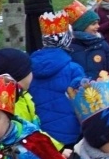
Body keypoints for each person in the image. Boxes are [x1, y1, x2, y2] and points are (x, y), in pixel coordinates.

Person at [29, 11, 88, 147]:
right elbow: (84, 101)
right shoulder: (74, 69)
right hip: (70, 133)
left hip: (40, 132)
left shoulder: (30, 67)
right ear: (66, 39)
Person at [0, 47, 40, 125]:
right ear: (21, 75)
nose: (32, 74)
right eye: (30, 70)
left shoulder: (23, 96)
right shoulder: (10, 107)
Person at [70, 8, 109, 79]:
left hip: (102, 88)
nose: (98, 26)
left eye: (98, 23)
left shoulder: (102, 44)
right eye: (93, 24)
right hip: (79, 89)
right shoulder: (71, 47)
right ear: (82, 26)